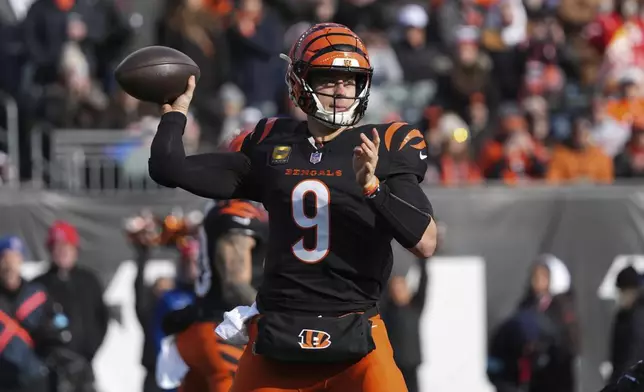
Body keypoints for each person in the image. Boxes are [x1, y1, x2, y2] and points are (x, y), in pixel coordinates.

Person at [149, 22, 437, 392]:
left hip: (356, 332)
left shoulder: (385, 144)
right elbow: (170, 168)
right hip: (280, 332)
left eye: (350, 81)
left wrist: (372, 187)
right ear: (300, 80)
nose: (341, 91)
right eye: (329, 78)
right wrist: (175, 114)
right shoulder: (271, 142)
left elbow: (425, 241)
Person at [157, 198, 268, 392]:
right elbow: (235, 285)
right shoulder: (238, 210)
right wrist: (277, 315)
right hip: (224, 332)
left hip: (201, 329)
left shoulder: (221, 208)